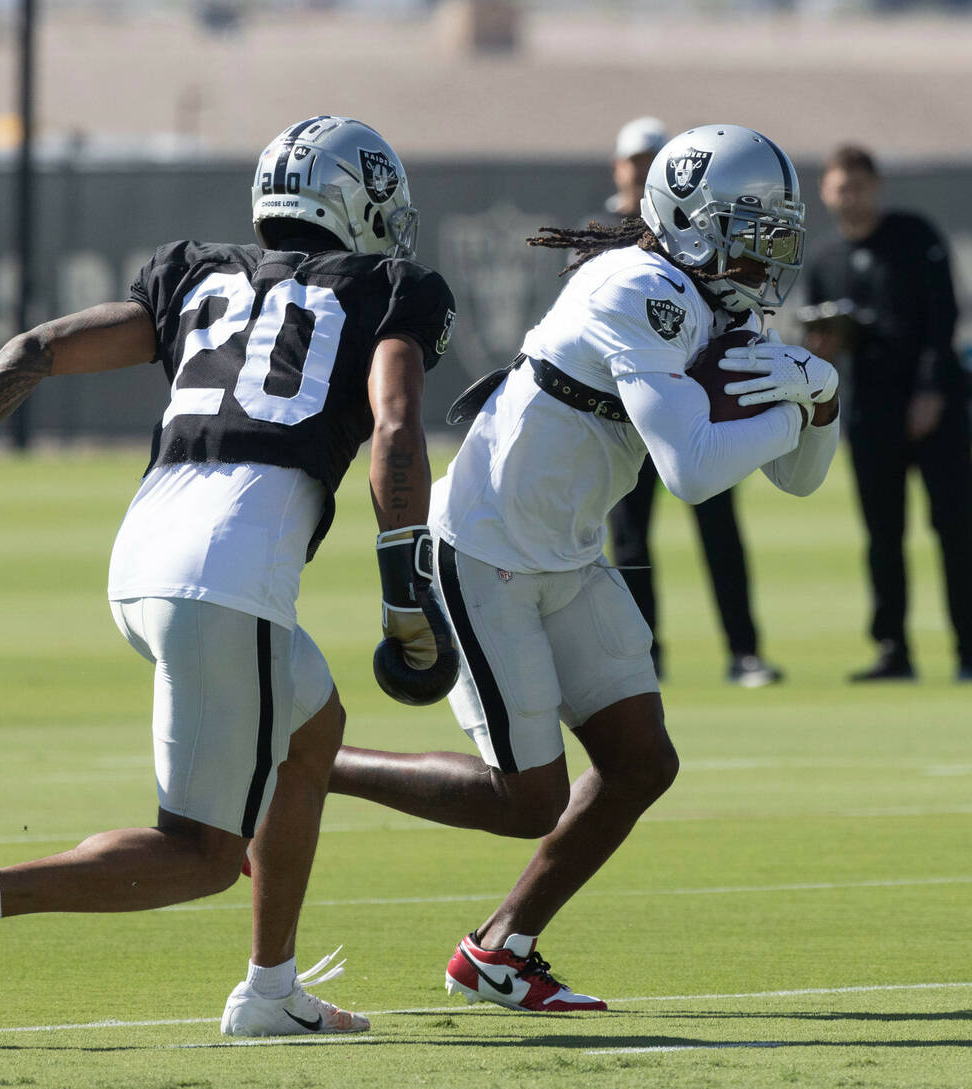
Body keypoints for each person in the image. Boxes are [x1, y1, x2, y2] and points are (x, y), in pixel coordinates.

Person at [0, 115, 459, 1037]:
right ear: (357, 206)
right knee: (202, 854)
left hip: (144, 553)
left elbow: (36, 349)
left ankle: (271, 987)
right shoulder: (391, 288)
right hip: (228, 572)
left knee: (314, 726)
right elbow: (399, 432)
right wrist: (408, 588)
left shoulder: (198, 270)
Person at [330, 124, 840, 1012]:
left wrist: (821, 399)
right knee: (527, 798)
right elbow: (688, 468)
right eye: (751, 230)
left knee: (642, 762)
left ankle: (499, 950)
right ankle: (310, 762)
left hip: (561, 554)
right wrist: (802, 396)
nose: (768, 256)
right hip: (486, 549)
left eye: (776, 233)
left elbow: (799, 479)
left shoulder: (713, 301)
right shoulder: (638, 286)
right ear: (689, 222)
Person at [596, 117, 783, 686]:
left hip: (698, 399)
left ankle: (744, 651)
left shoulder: (697, 228)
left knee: (719, 524)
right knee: (629, 537)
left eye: (652, 157)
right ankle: (644, 655)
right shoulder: (605, 237)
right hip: (631, 412)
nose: (640, 166)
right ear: (619, 166)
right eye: (635, 157)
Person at [803, 145, 972, 682]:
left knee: (956, 527)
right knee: (882, 535)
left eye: (858, 186)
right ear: (827, 193)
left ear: (876, 186)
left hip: (934, 406)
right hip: (870, 412)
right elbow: (820, 340)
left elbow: (943, 313)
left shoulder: (913, 236)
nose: (850, 199)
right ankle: (894, 650)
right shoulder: (826, 259)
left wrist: (930, 389)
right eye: (839, 189)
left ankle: (969, 649)